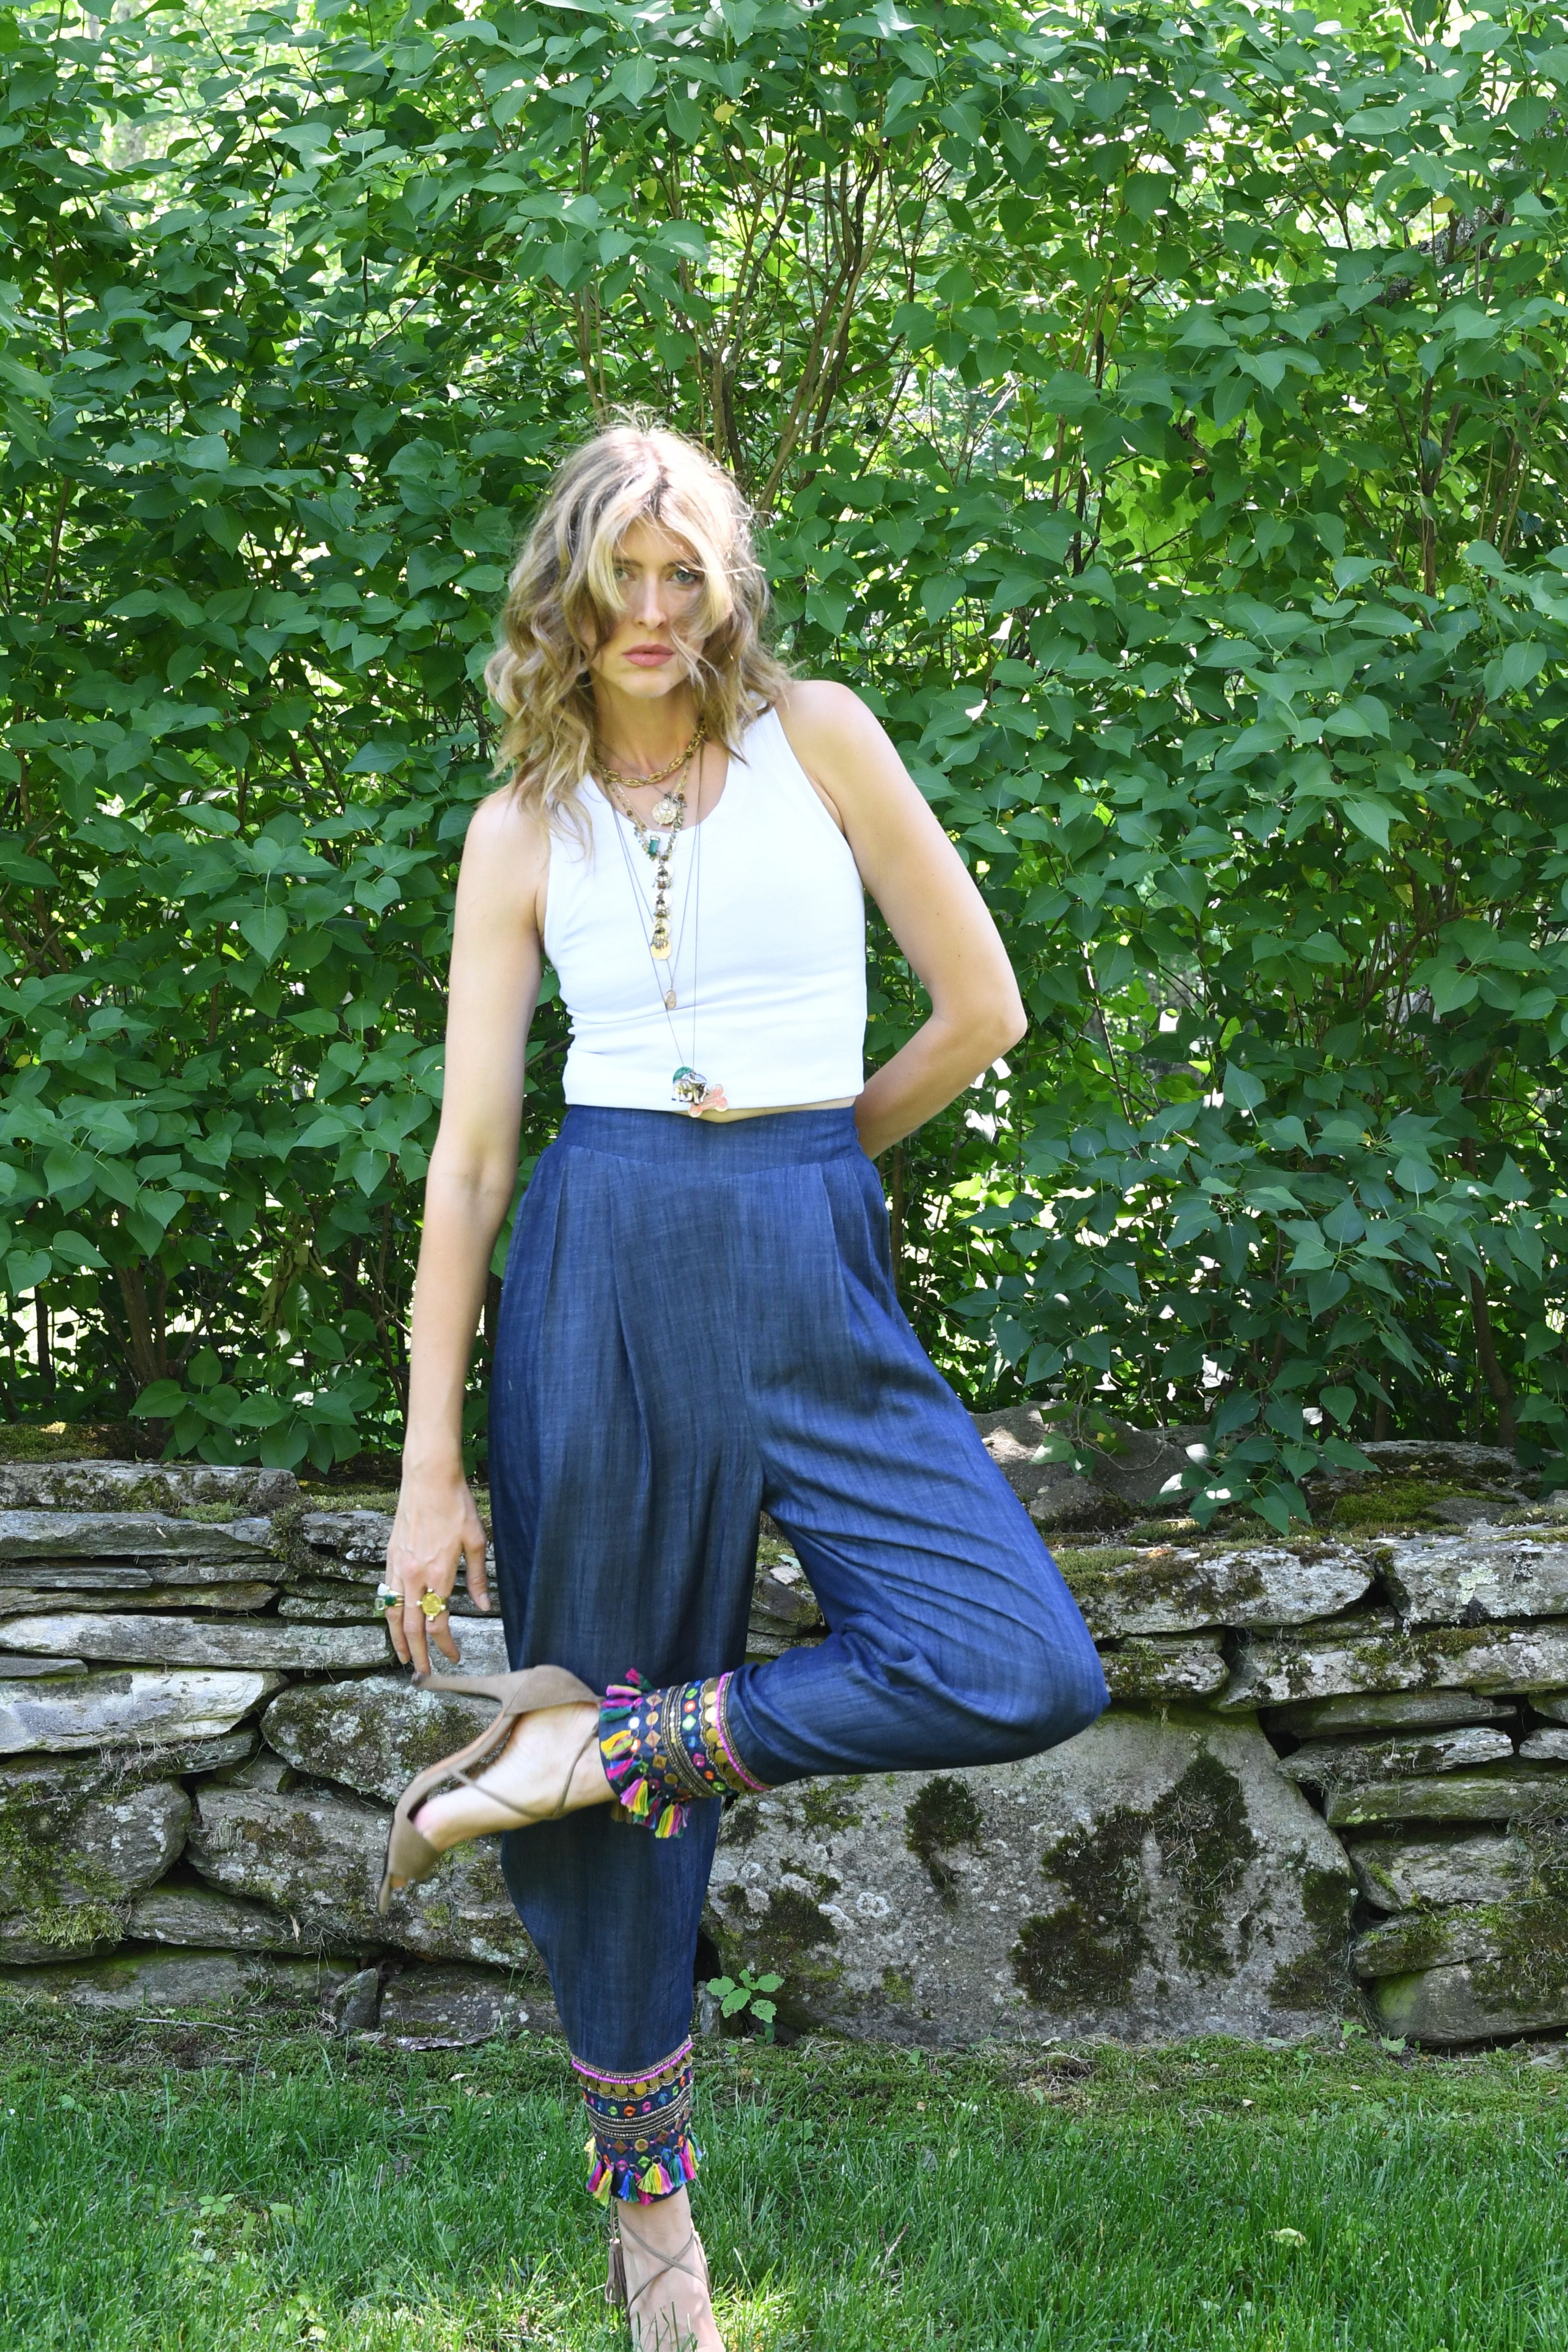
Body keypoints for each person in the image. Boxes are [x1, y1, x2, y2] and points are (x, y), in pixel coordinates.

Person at [377, 420, 1107, 2349]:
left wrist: (807, 1165)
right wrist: (431, 1466)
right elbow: (471, 1158)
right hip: (600, 1269)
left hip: (803, 1250)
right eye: (615, 575)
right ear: (562, 591)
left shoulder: (823, 740)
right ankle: (657, 2256)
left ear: (728, 586)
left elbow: (981, 1008)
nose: (650, 609)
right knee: (612, 1854)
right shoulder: (522, 828)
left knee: (1018, 1657)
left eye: (682, 573)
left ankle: (596, 1745)